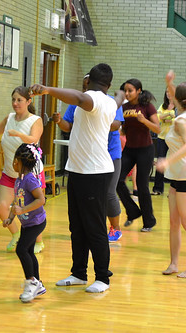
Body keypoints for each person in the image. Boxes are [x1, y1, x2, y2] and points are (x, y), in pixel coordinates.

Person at [31, 63, 124, 293]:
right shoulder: (109, 102)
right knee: (77, 226)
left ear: (89, 79)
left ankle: (103, 277)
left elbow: (81, 99)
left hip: (95, 173)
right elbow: (107, 112)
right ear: (109, 84)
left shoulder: (97, 99)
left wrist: (47, 89)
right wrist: (119, 100)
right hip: (78, 170)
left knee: (95, 228)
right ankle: (79, 273)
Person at [52, 74, 125, 242]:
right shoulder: (79, 102)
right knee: (84, 200)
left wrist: (98, 121)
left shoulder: (108, 102)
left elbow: (116, 125)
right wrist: (58, 121)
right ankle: (88, 230)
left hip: (109, 156)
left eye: (88, 83)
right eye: (84, 84)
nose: (86, 87)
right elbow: (68, 126)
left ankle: (115, 228)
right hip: (84, 161)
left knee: (108, 193)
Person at [0, 86, 45, 253]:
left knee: (32, 209)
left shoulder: (36, 120)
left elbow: (34, 139)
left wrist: (19, 135)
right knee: (1, 205)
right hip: (10, 172)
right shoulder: (10, 117)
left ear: (28, 101)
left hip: (30, 173)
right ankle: (16, 234)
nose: (15, 103)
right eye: (13, 99)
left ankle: (38, 241)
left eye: (19, 100)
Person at [156, 72, 186, 278]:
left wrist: (167, 161)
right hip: (177, 177)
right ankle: (174, 263)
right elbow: (177, 96)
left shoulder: (182, 121)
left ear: (176, 100)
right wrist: (169, 83)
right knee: (174, 223)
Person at [3, 143, 47, 303]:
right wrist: (10, 218)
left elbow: (41, 199)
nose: (13, 163)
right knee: (27, 251)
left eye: (15, 160)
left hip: (36, 222)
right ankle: (38, 283)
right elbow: (16, 202)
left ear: (21, 162)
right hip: (27, 223)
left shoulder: (29, 180)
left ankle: (31, 282)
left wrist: (23, 210)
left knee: (21, 249)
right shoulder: (19, 180)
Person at [117, 78, 160, 232]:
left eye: (130, 90)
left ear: (138, 91)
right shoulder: (124, 107)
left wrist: (144, 121)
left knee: (142, 186)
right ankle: (133, 211)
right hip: (129, 149)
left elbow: (157, 129)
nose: (127, 93)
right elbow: (123, 129)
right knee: (117, 180)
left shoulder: (147, 106)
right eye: (125, 91)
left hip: (145, 149)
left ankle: (149, 221)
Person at [152, 89, 176, 195]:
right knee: (160, 163)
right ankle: (158, 189)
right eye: (166, 92)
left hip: (174, 139)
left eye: (170, 92)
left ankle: (175, 190)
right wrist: (168, 116)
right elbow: (157, 118)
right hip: (162, 138)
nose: (168, 94)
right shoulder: (163, 105)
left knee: (175, 163)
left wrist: (167, 119)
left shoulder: (178, 105)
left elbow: (179, 119)